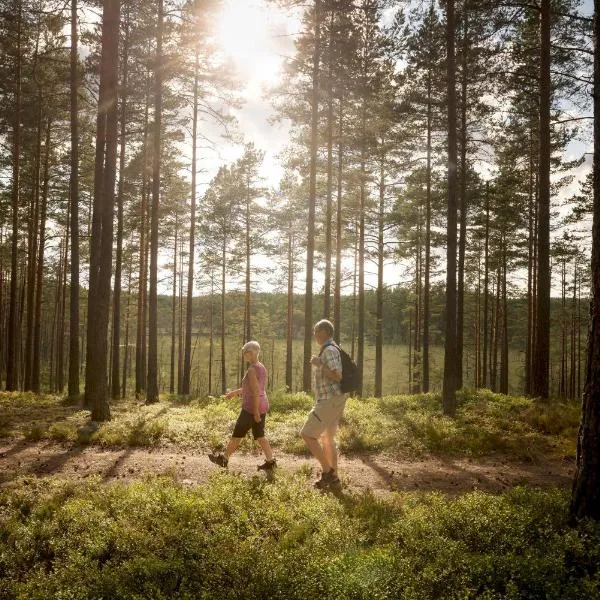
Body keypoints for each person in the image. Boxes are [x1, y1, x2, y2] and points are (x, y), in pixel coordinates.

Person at [208, 341, 276, 471]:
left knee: (237, 434)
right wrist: (234, 393)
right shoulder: (261, 367)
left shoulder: (251, 370)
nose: (244, 354)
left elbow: (255, 391)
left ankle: (224, 459)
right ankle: (271, 462)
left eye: (245, 351)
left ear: (252, 352)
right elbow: (253, 388)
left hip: (251, 408)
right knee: (260, 435)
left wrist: (255, 412)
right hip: (262, 405)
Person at [300, 319, 345, 488]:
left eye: (316, 331)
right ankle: (334, 478)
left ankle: (328, 473)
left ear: (325, 332)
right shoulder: (332, 348)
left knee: (307, 434)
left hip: (329, 401)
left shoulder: (329, 350)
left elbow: (337, 375)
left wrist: (319, 365)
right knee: (327, 439)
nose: (314, 335)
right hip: (333, 400)